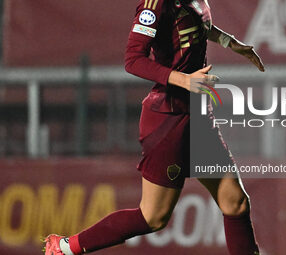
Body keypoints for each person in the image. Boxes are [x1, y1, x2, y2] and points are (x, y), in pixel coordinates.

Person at [44, 0, 264, 254]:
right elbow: (133, 59)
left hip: (200, 117)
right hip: (168, 118)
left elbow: (198, 25)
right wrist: (184, 80)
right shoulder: (155, 5)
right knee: (153, 217)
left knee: (235, 202)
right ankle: (64, 248)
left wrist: (231, 43)